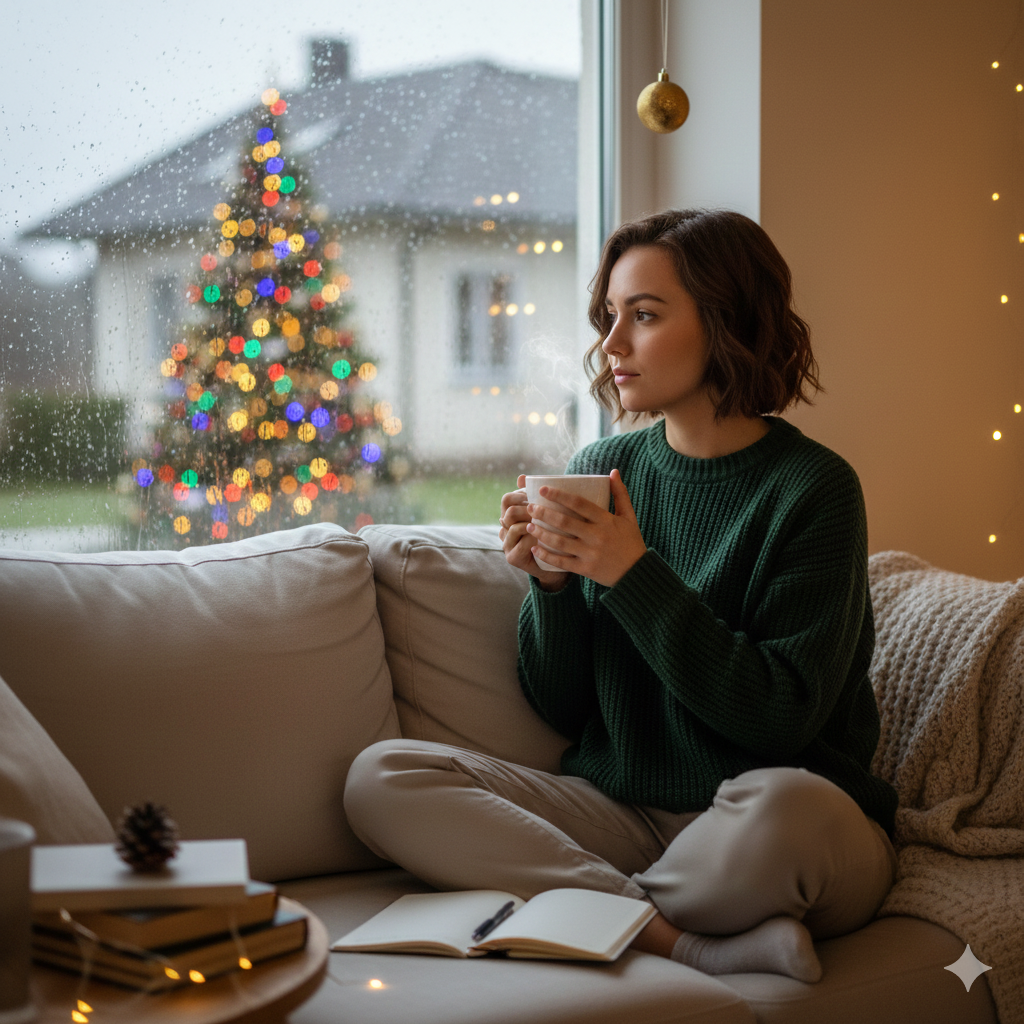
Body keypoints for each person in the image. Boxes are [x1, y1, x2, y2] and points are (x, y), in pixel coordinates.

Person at [344, 208, 898, 983]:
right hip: (625, 819)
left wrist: (633, 576)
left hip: (768, 822)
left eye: (643, 315)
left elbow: (779, 720)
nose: (612, 344)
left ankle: (589, 910)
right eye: (610, 317)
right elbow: (565, 710)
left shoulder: (814, 490)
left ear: (727, 320)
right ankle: (680, 940)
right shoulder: (606, 467)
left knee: (790, 811)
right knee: (385, 777)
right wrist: (553, 587)